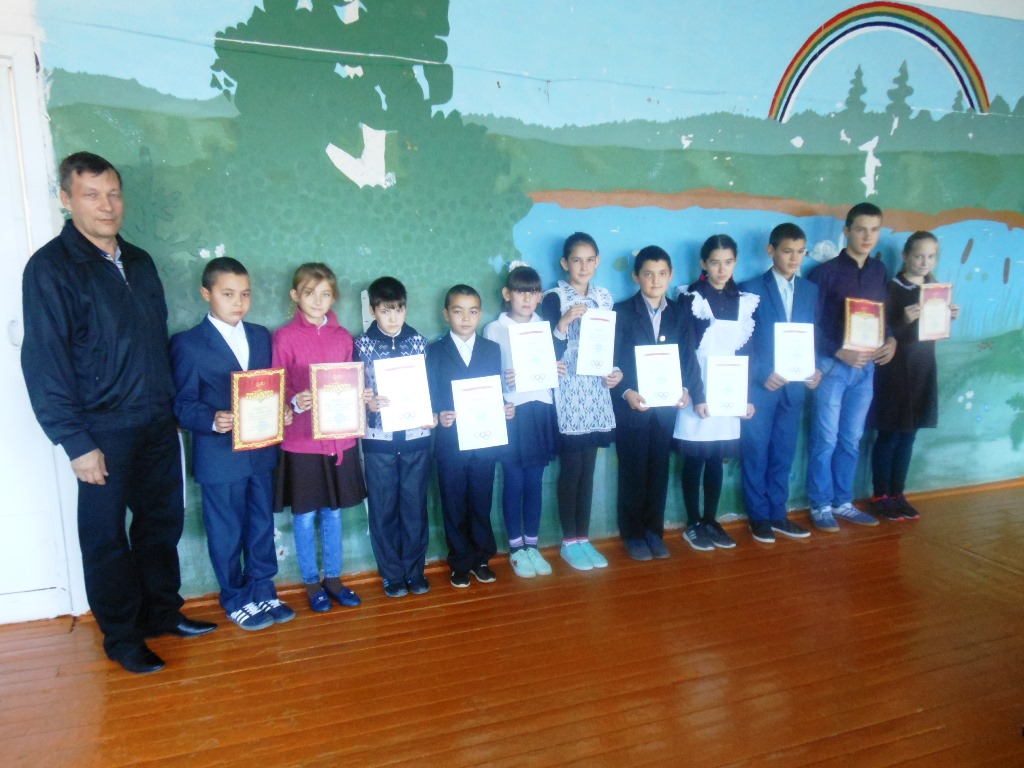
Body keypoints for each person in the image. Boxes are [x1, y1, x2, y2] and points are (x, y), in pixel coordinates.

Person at [21, 151, 215, 675]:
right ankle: (123, 637)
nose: (106, 205)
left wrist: (172, 406)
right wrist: (75, 441)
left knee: (161, 524)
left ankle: (162, 613)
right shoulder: (50, 268)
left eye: (113, 193)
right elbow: (44, 360)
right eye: (91, 194)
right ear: (67, 199)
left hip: (156, 419)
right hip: (101, 428)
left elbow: (153, 340)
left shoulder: (141, 261)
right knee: (105, 537)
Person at [171, 257, 296, 631]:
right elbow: (182, 404)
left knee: (261, 524)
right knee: (226, 530)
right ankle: (235, 597)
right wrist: (212, 419)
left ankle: (263, 589)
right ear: (205, 293)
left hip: (261, 451)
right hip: (219, 456)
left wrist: (282, 410)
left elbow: (270, 387)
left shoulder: (260, 335)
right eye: (227, 294)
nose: (238, 302)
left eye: (245, 294)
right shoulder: (188, 344)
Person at [272, 263, 368, 612]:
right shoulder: (284, 337)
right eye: (309, 293)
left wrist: (360, 396)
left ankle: (334, 579)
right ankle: (312, 582)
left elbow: (351, 383)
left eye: (326, 294)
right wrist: (295, 401)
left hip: (338, 439)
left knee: (334, 513)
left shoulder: (343, 338)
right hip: (301, 442)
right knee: (303, 515)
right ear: (295, 295)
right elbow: (276, 386)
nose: (318, 300)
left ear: (334, 298)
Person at [806, 202, 897, 531]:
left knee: (851, 439)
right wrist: (838, 352)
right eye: (860, 229)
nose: (867, 236)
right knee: (825, 440)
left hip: (866, 369)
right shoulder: (825, 273)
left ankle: (842, 502)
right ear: (846, 232)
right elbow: (810, 324)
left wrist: (891, 339)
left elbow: (881, 315)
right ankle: (820, 505)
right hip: (832, 368)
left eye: (874, 230)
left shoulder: (879, 271)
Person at [611, 246, 704, 560]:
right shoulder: (621, 312)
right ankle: (633, 534)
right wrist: (625, 391)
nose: (655, 280)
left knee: (659, 472)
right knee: (633, 472)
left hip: (665, 409)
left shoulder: (679, 312)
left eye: (662, 273)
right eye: (648, 274)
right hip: (632, 408)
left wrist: (687, 390)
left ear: (670, 275)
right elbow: (611, 362)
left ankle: (654, 531)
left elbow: (687, 357)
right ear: (636, 276)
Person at [541, 232, 622, 571]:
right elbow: (542, 350)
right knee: (571, 468)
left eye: (590, 260)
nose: (583, 266)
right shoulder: (554, 297)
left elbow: (611, 345)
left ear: (598, 261)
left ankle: (583, 538)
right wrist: (562, 323)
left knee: (589, 469)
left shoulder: (604, 297)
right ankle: (568, 542)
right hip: (569, 392)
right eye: (577, 260)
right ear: (565, 263)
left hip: (596, 391)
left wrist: (615, 371)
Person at [738, 223, 821, 544]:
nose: (794, 258)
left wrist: (814, 370)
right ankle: (758, 517)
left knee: (783, 453)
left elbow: (812, 336)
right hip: (761, 387)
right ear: (771, 251)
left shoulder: (810, 290)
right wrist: (761, 372)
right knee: (756, 452)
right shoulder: (750, 289)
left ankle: (778, 514)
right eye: (787, 251)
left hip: (794, 388)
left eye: (801, 252)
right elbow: (741, 342)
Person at [674, 235, 758, 551]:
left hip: (728, 390)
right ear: (703, 264)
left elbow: (747, 354)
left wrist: (745, 397)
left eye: (728, 262)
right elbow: (686, 352)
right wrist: (698, 396)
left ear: (735, 262)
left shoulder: (744, 301)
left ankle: (711, 519)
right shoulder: (691, 298)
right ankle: (693, 523)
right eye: (714, 262)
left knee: (716, 458)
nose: (722, 269)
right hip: (698, 388)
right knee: (695, 458)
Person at [428, 284, 514, 588]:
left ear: (480, 314)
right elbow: (431, 393)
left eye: (473, 311)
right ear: (446, 314)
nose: (466, 318)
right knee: (453, 503)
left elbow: (495, 392)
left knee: (480, 500)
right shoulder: (434, 351)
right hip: (450, 442)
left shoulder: (491, 350)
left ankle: (481, 558)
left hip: (483, 441)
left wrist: (505, 408)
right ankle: (460, 562)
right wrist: (439, 413)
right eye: (458, 311)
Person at [869, 231, 959, 521]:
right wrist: (903, 319)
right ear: (906, 256)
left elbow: (933, 332)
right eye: (919, 255)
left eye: (931, 256)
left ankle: (898, 494)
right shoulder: (892, 288)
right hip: (894, 372)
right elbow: (880, 329)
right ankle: (880, 495)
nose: (924, 262)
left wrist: (948, 317)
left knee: (909, 436)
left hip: (922, 370)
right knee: (889, 435)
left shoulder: (936, 289)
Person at [354, 276, 434, 598]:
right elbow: (354, 392)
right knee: (383, 507)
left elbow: (430, 387)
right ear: (373, 310)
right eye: (386, 311)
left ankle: (415, 571)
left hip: (416, 438)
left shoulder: (419, 342)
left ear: (405, 309)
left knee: (414, 506)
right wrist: (367, 401)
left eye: (398, 310)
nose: (393, 318)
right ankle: (391, 574)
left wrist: (431, 413)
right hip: (378, 441)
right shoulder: (360, 345)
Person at [483, 264, 560, 578]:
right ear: (507, 294)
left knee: (534, 483)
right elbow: (488, 376)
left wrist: (556, 369)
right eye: (520, 291)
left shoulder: (543, 326)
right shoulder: (494, 328)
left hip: (540, 409)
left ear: (539, 296)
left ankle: (532, 546)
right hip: (512, 412)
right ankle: (516, 549)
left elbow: (549, 369)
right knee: (514, 482)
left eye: (533, 292)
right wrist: (505, 380)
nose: (527, 298)